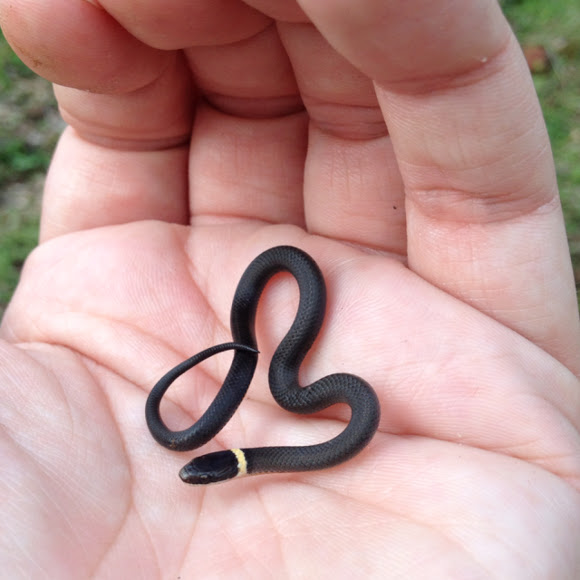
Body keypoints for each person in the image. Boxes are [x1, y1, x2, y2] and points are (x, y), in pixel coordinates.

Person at [1, 1, 579, 577]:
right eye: (206, 469)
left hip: (280, 334)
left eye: (204, 469)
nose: (194, 474)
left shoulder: (296, 397)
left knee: (286, 384)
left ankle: (242, 344)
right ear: (230, 463)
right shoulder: (302, 410)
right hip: (275, 364)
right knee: (285, 385)